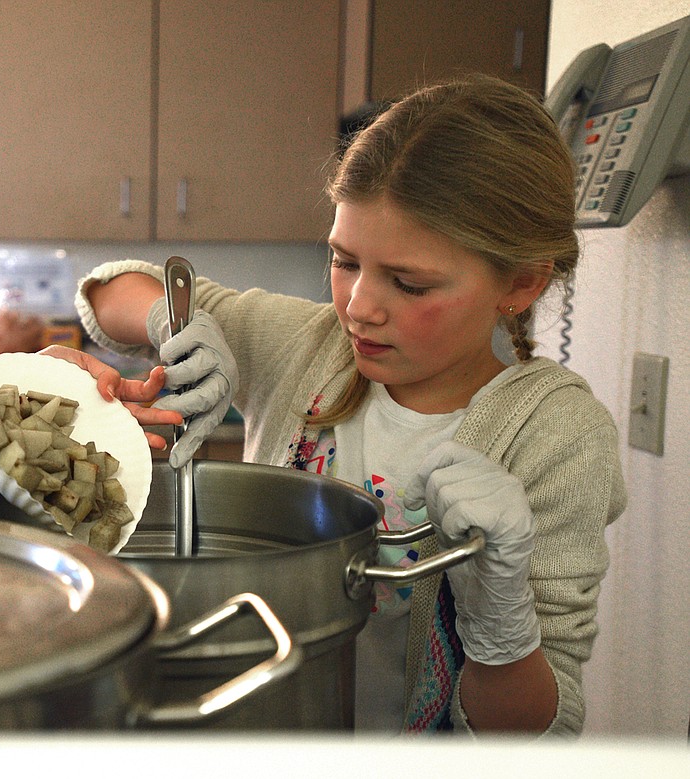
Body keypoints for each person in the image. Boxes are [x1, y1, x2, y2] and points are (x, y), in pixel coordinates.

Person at [70, 75, 627, 735]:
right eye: (343, 260)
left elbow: (535, 733)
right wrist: (172, 317)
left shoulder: (559, 433)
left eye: (409, 282)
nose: (359, 306)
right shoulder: (302, 347)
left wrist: (499, 617)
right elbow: (106, 294)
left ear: (521, 281)